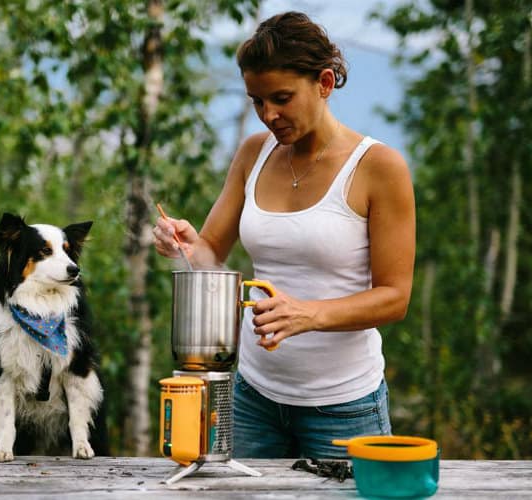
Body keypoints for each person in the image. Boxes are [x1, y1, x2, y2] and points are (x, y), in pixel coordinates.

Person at [152, 11, 415, 458]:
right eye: (257, 101)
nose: (268, 115)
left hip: (344, 407)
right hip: (252, 398)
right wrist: (184, 243)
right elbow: (210, 252)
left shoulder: (378, 167)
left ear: (325, 83)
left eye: (281, 98)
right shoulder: (254, 153)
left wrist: (308, 314)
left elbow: (394, 297)